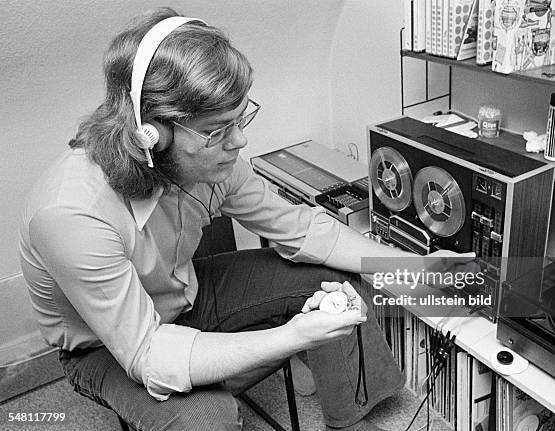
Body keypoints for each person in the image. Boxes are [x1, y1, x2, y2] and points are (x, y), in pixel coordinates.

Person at [19, 7, 474, 431]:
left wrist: (413, 267)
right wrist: (293, 337)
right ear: (150, 136)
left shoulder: (213, 161)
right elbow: (149, 354)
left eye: (241, 119)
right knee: (206, 416)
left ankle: (351, 413)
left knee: (337, 283)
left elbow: (298, 227)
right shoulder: (69, 214)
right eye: (217, 130)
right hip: (105, 347)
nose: (237, 142)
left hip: (184, 293)